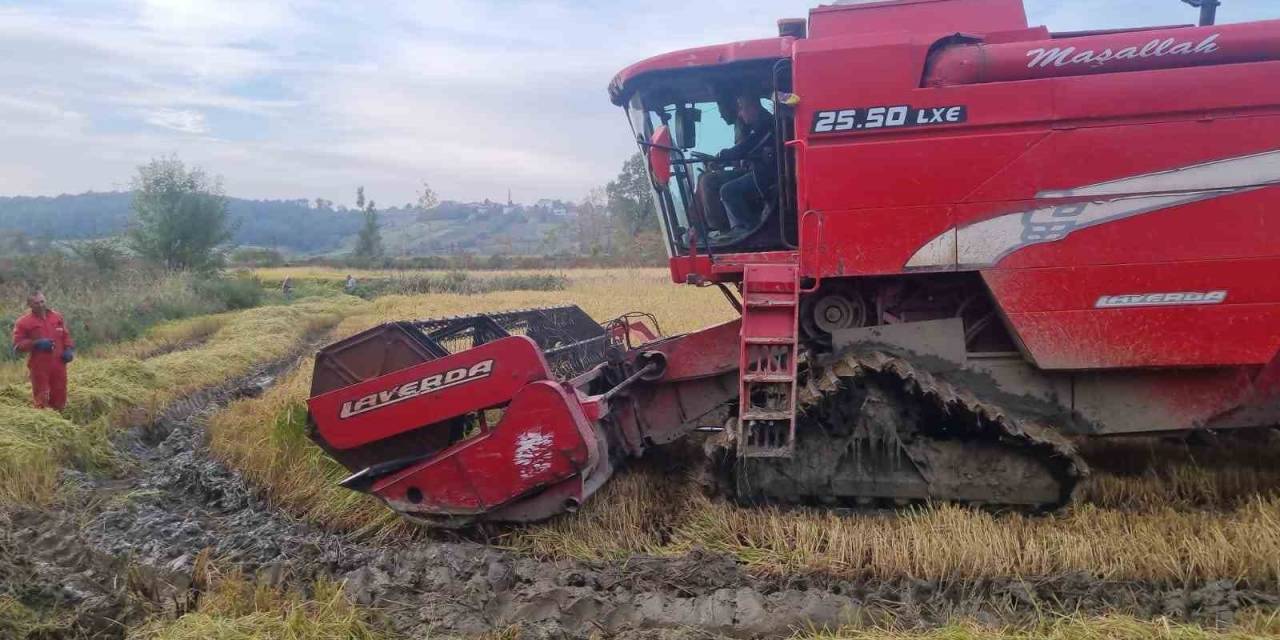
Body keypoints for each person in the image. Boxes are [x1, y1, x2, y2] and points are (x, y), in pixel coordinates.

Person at [714, 94, 777, 238]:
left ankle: (750, 229)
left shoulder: (765, 124)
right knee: (712, 180)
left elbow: (747, 147)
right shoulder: (756, 124)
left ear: (753, 107)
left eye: (742, 108)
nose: (739, 113)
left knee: (727, 191)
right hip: (760, 171)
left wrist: (721, 155)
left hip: (767, 176)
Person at [12, 290, 75, 411]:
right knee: (42, 396)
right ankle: (44, 422)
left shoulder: (56, 317)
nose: (40, 305)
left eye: (42, 301)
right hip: (39, 367)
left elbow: (66, 336)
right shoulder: (23, 322)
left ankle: (60, 420)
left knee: (60, 394)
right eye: (36, 303)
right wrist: (36, 344)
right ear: (29, 305)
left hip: (59, 364)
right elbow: (17, 345)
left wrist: (69, 349)